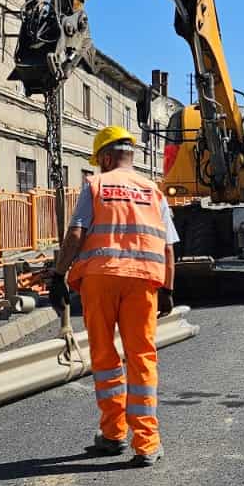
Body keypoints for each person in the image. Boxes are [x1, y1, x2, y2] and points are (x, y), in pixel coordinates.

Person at [53, 125, 179, 467]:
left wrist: (58, 273)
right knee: (142, 358)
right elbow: (167, 248)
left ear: (106, 157)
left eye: (98, 160)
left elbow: (76, 232)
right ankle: (147, 443)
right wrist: (167, 289)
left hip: (100, 279)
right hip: (143, 282)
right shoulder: (153, 191)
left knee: (106, 357)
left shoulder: (95, 186)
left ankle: (113, 434)